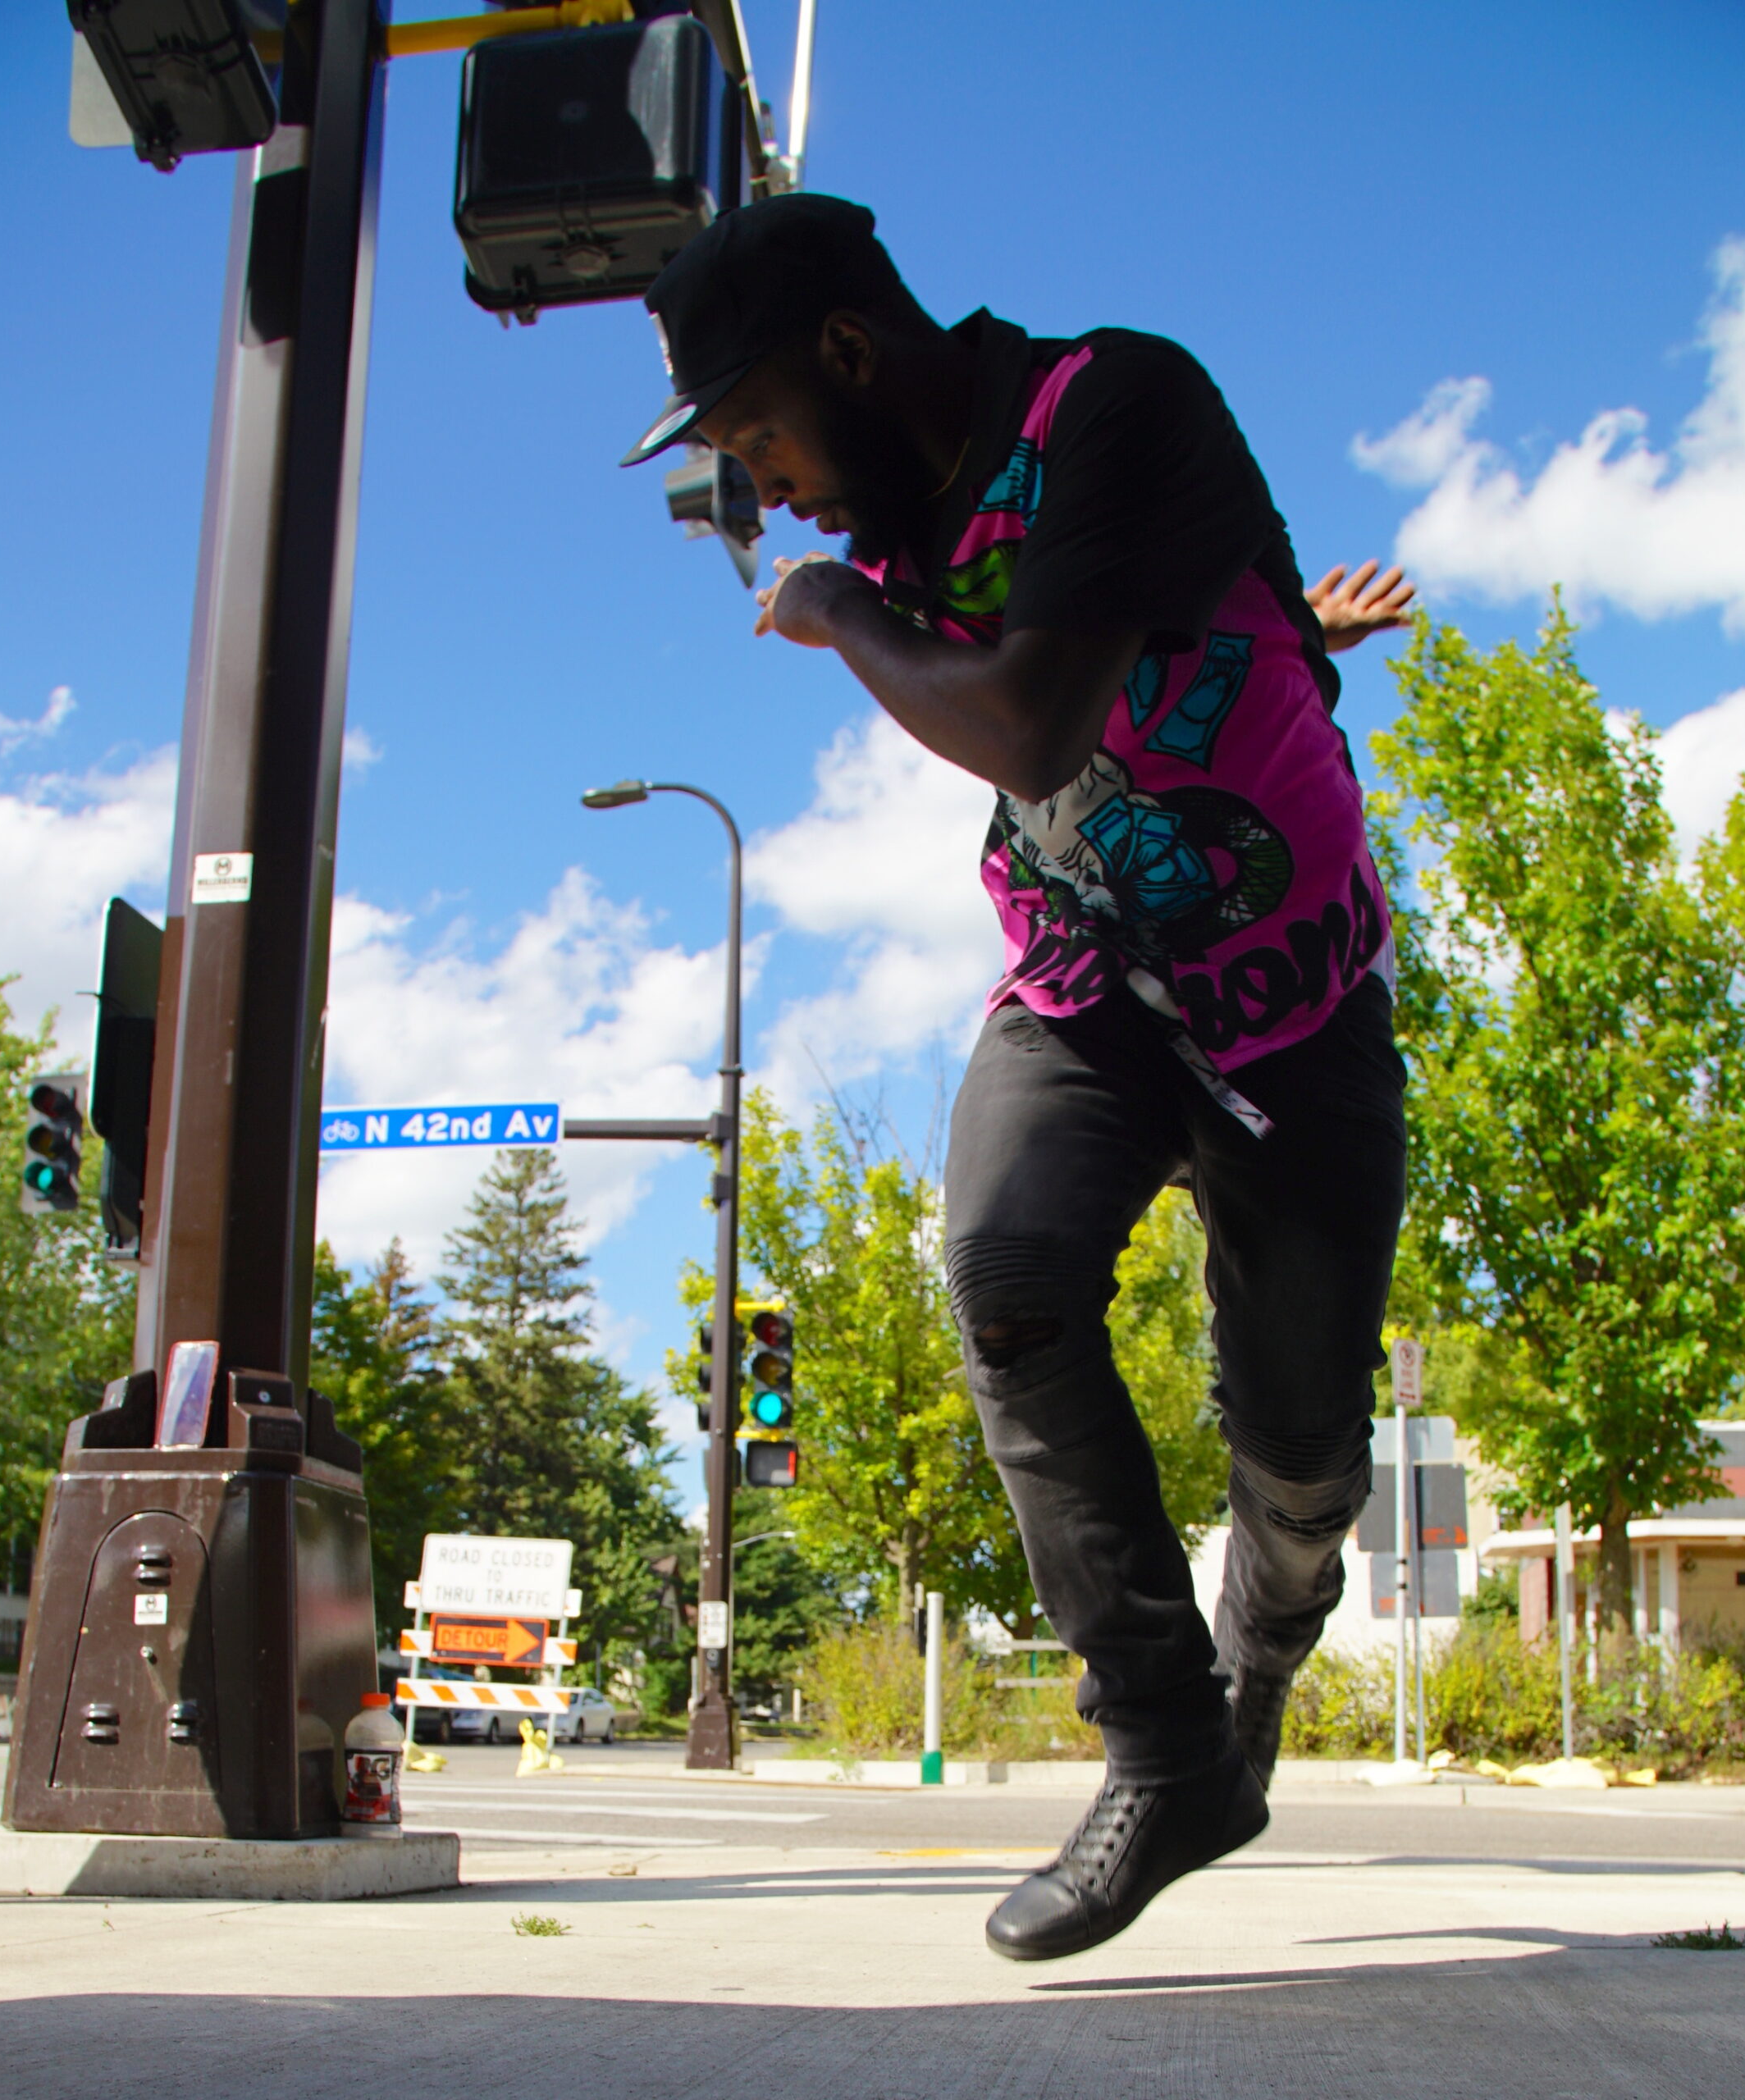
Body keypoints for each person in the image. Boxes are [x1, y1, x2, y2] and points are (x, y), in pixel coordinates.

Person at [622, 196, 1415, 1961]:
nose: (771, 496)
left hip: (1286, 991)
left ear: (847, 352)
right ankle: (1162, 1744)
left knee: (1296, 1457)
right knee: (1002, 1259)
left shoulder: (1108, 405)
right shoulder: (902, 506)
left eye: (759, 435)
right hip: (1086, 981)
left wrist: (833, 616)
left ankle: (1257, 1649)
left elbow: (1031, 723)